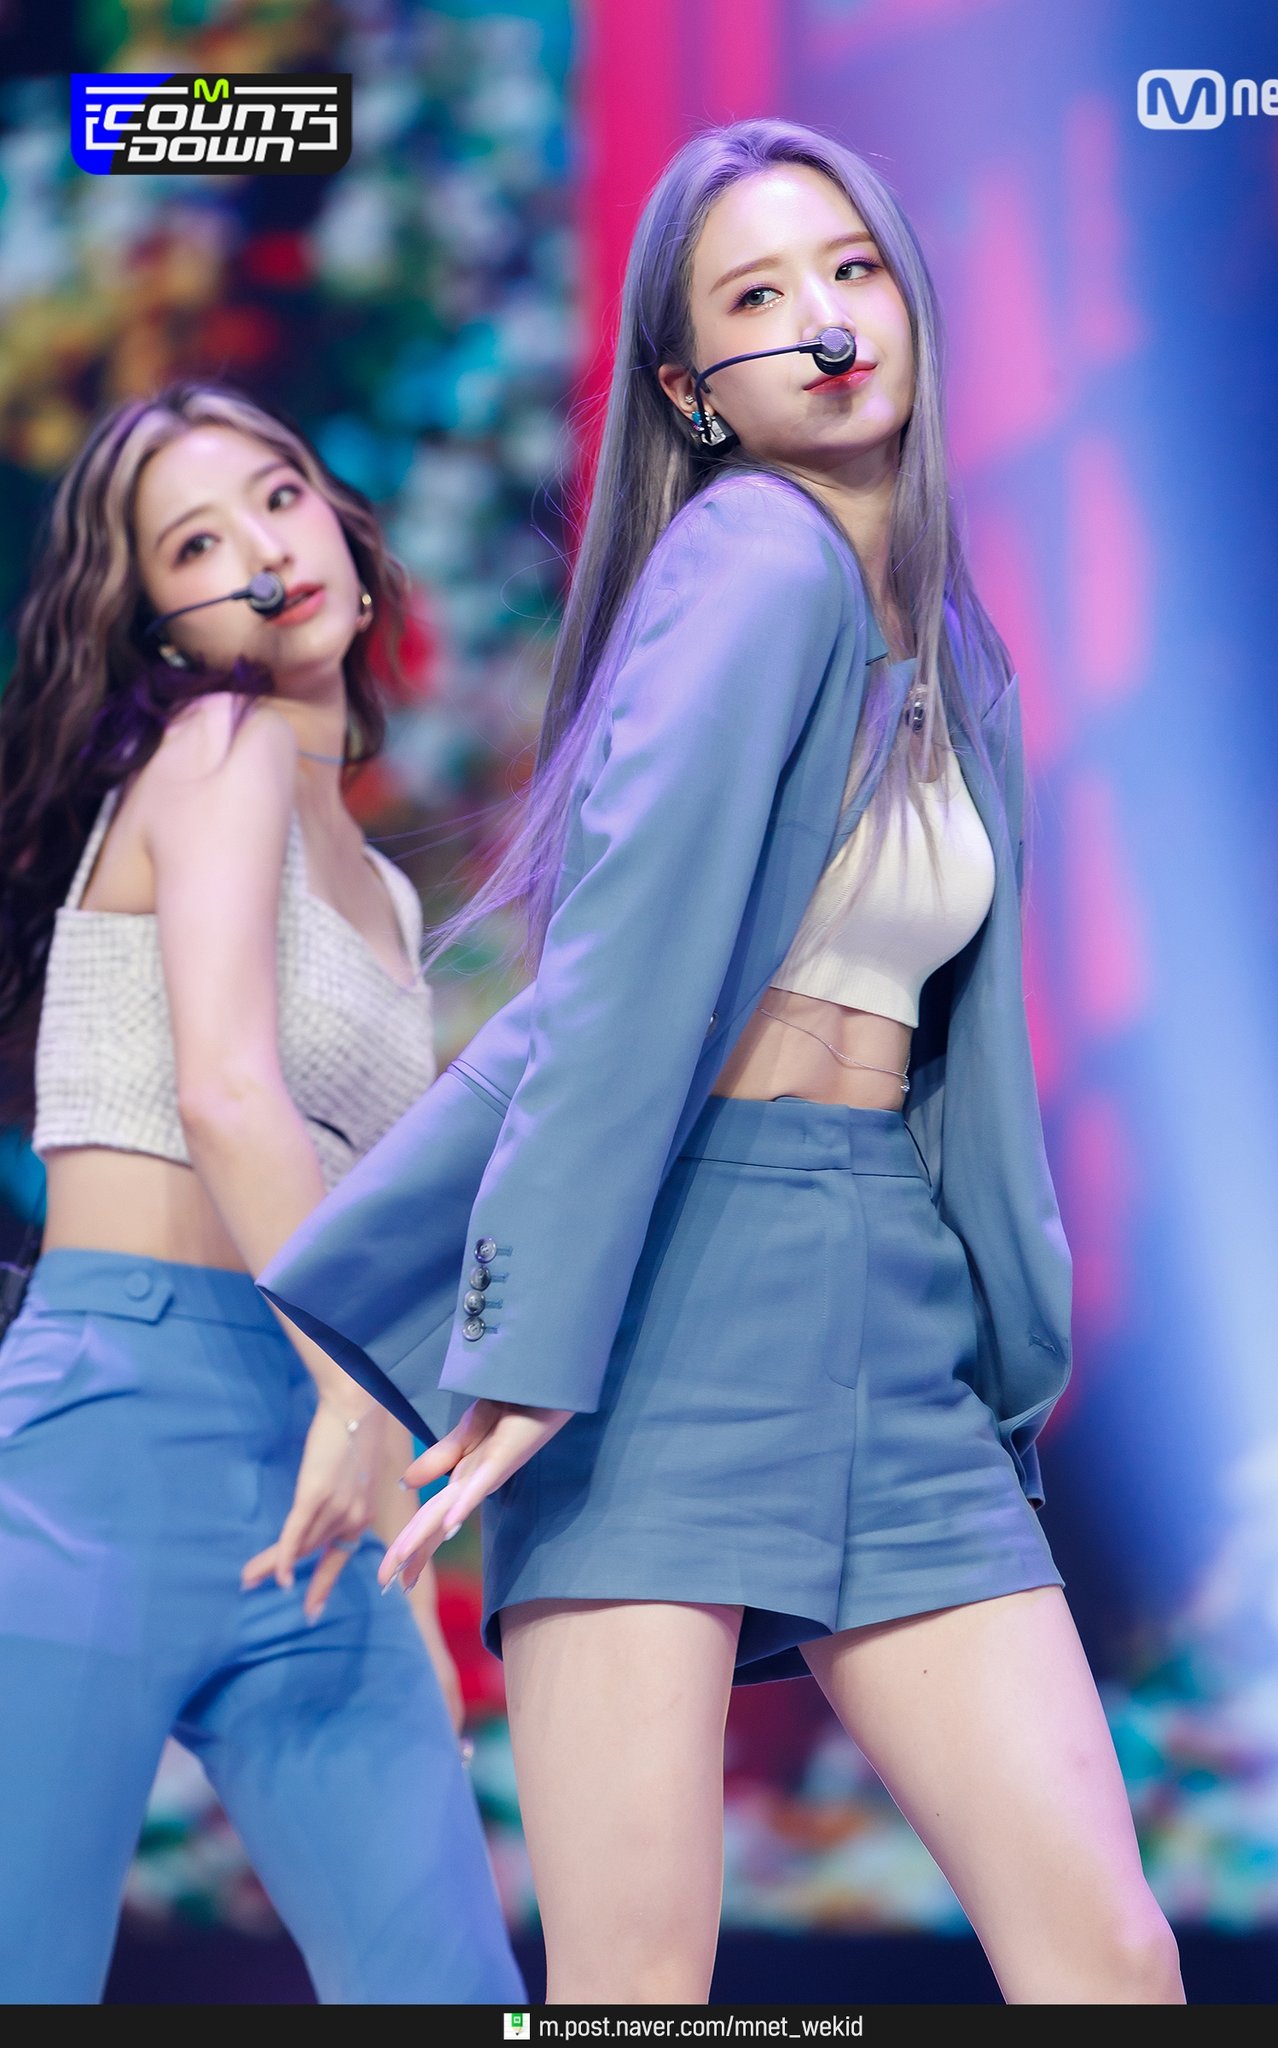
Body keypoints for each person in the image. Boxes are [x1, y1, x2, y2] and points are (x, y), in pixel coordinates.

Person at [262, 121, 1185, 2006]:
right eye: (758, 298)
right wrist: (530, 1343)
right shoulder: (753, 558)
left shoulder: (955, 654)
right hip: (667, 1294)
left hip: (884, 1306)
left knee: (1107, 1956)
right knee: (636, 1986)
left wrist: (1004, 1343)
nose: (828, 322)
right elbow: (617, 977)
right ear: (691, 392)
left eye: (852, 269)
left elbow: (965, 1077)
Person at [0, 380, 525, 2005]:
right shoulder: (210, 748)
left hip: (312, 1457)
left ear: (345, 532)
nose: (259, 550)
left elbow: (357, 1205)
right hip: (108, 1432)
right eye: (194, 544)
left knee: (448, 1989)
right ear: (158, 621)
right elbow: (226, 1092)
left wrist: (407, 1578)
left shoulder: (378, 889)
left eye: (279, 497)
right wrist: (356, 1401)